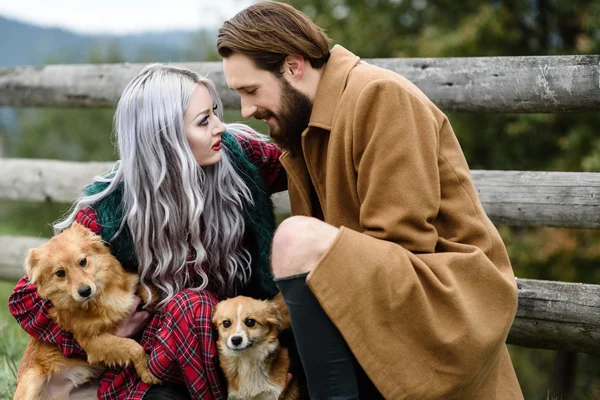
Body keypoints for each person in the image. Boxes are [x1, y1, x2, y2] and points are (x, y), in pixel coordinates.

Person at [217, 2, 524, 399]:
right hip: (388, 292)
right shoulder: (303, 128)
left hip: (449, 301)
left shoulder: (379, 97)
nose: (247, 109)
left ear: (293, 66)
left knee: (295, 238)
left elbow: (402, 243)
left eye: (251, 90)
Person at [9, 63, 287, 400]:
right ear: (164, 137)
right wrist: (105, 332)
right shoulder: (113, 208)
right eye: (204, 121)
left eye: (214, 113)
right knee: (191, 307)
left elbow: (306, 160)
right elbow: (26, 300)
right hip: (166, 347)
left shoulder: (239, 157)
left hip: (243, 330)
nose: (220, 127)